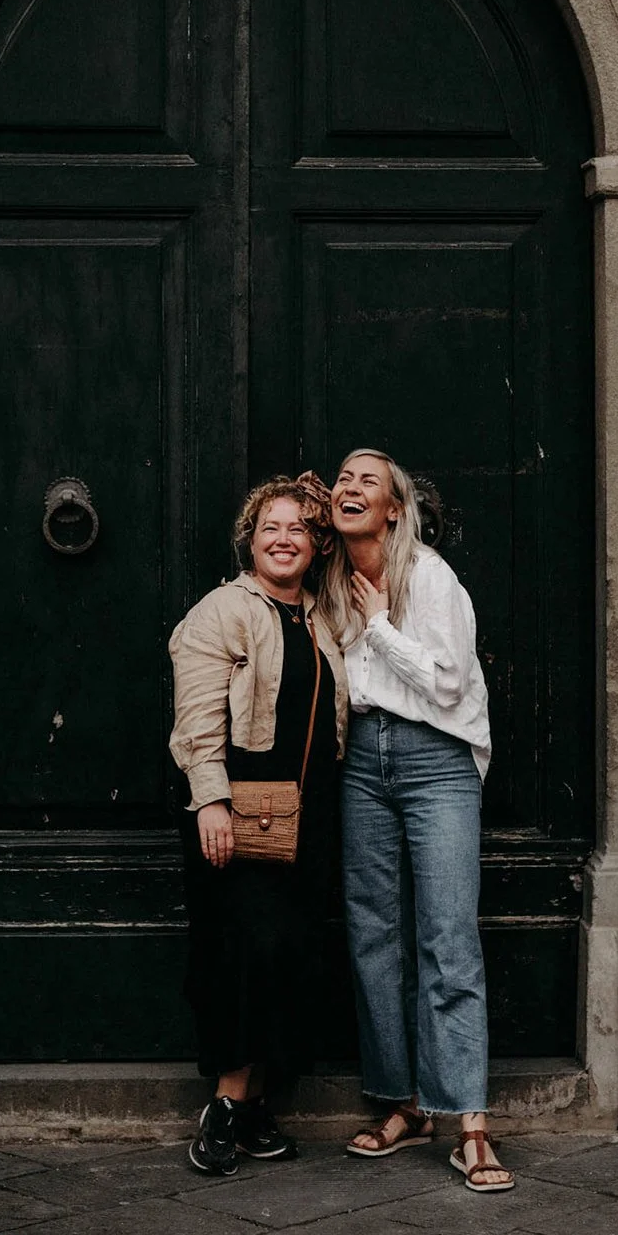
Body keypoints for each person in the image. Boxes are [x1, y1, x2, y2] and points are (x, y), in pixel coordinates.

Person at [321, 447, 514, 1192]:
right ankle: (404, 1103)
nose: (351, 487)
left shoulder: (428, 577)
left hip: (437, 760)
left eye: (368, 480)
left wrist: (378, 627)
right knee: (373, 932)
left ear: (395, 507)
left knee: (447, 936)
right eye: (342, 478)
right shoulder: (333, 581)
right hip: (363, 761)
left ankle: (470, 1122)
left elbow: (446, 682)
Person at [169, 474, 348, 1178]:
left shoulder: (325, 616)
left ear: (316, 545)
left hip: (311, 815)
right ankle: (224, 1104)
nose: (283, 539)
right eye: (270, 528)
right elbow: (197, 718)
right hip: (237, 812)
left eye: (299, 529)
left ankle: (253, 1107)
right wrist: (210, 800)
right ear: (250, 539)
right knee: (244, 951)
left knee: (291, 955)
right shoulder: (222, 611)